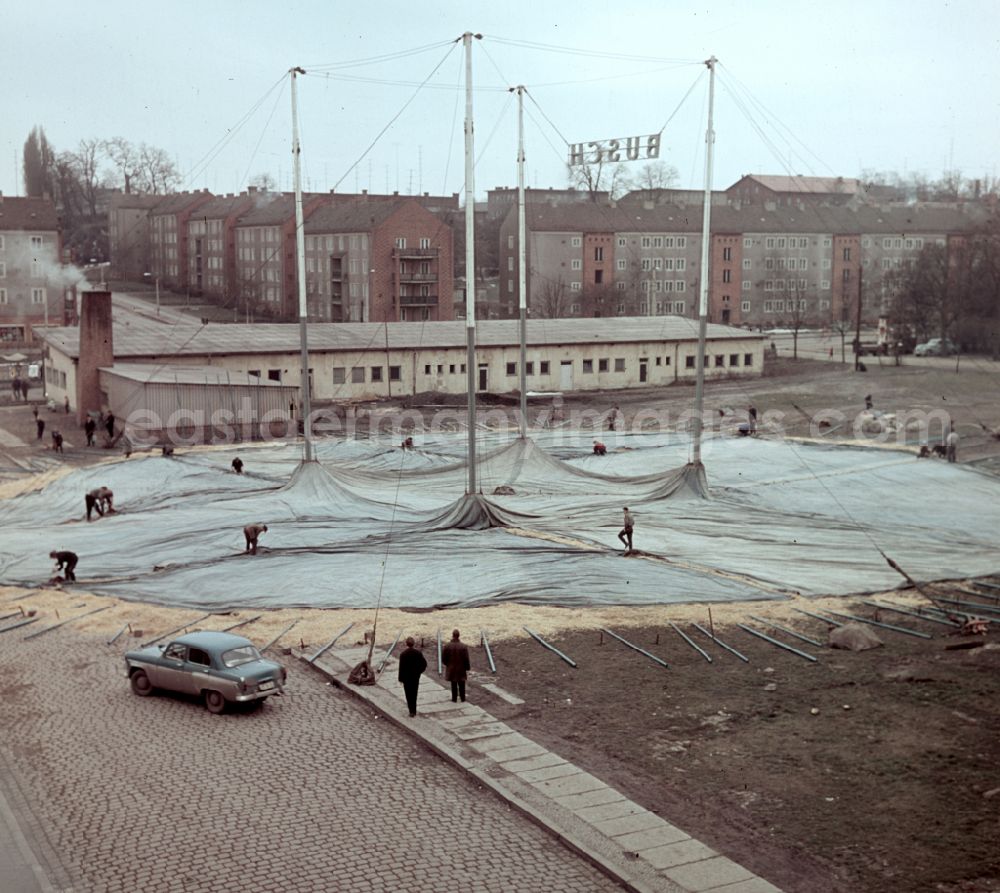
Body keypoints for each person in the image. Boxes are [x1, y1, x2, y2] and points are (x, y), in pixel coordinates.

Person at [397, 636, 428, 717]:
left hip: (406, 679)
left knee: (408, 694)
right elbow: (424, 664)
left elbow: (401, 668)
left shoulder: (403, 654)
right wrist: (419, 672)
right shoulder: (418, 653)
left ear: (406, 644)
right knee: (414, 693)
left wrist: (400, 678)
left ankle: (411, 710)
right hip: (415, 677)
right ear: (413, 644)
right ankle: (414, 710)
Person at [441, 629, 470, 703]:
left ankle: (454, 698)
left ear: (452, 635)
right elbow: (466, 658)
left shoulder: (447, 646)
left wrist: (448, 664)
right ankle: (463, 698)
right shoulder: (463, 646)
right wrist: (467, 667)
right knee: (462, 683)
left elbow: (443, 658)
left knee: (453, 683)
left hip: (451, 668)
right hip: (461, 668)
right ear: (459, 636)